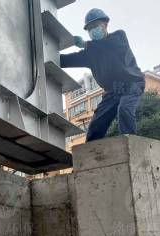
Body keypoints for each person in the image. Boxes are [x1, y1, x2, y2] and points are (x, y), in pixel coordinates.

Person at [60, 8, 145, 142]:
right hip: (111, 92)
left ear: (105, 25)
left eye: (95, 26)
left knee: (124, 110)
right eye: (89, 29)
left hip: (132, 84)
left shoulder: (119, 38)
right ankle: (90, 154)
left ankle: (130, 144)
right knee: (96, 124)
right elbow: (66, 60)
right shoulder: (90, 54)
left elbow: (107, 45)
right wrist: (47, 54)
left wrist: (85, 44)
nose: (92, 31)